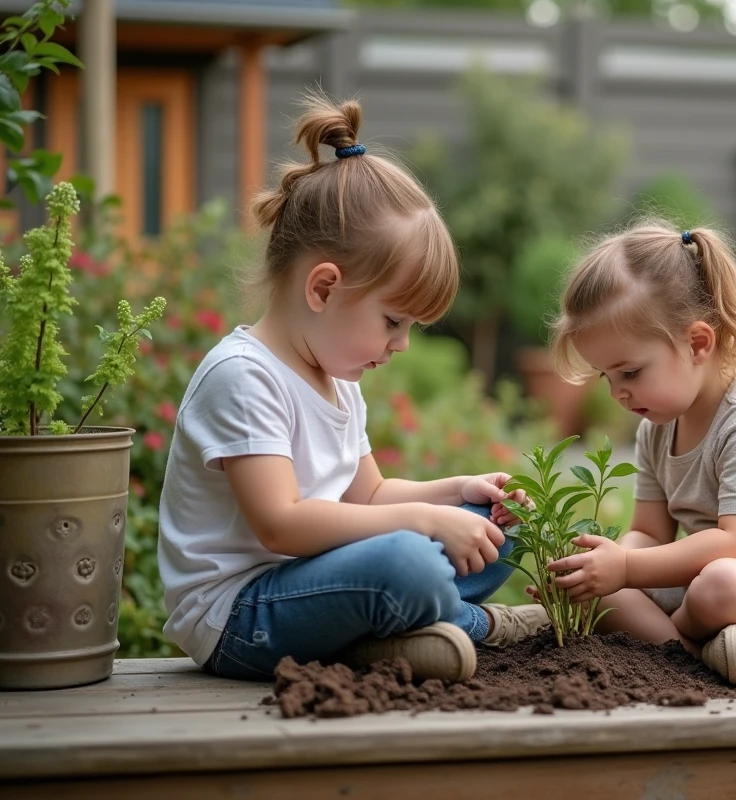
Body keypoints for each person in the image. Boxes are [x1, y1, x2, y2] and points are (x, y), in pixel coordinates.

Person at [157, 95, 545, 683]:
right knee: (409, 560)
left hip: (316, 583)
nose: (402, 345)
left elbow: (368, 496)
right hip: (239, 617)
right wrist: (422, 522)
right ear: (323, 288)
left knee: (488, 525)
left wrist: (453, 494)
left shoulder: (337, 381)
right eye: (393, 321)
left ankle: (398, 633)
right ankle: (476, 626)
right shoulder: (244, 375)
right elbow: (280, 525)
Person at [544, 222, 736, 684]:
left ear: (697, 343)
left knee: (722, 585)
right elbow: (649, 533)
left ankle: (674, 649)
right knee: (601, 594)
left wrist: (628, 567)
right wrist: (602, 565)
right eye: (606, 377)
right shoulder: (657, 428)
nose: (618, 393)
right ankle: (710, 652)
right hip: (704, 588)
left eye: (630, 372)